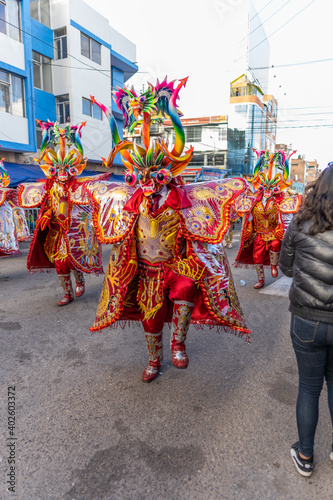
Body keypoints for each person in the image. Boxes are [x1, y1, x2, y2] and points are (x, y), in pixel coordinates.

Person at [85, 78, 250, 382]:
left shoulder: (182, 199)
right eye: (140, 175)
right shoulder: (131, 202)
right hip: (146, 269)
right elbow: (114, 224)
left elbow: (200, 225)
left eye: (154, 174)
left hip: (176, 266)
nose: (147, 181)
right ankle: (153, 359)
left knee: (186, 290)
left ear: (167, 174)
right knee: (150, 318)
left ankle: (178, 344)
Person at [279, 164, 333, 477]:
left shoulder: (299, 223)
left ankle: (306, 455)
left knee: (309, 388)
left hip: (307, 320)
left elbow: (285, 268)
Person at [18, 121, 104, 305]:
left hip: (73, 229)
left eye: (66, 169)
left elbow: (85, 202)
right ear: (53, 170)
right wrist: (48, 213)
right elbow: (48, 202)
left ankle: (79, 281)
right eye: (59, 169)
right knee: (59, 262)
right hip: (56, 230)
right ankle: (67, 293)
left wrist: (72, 220)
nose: (62, 172)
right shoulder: (50, 185)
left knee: (72, 260)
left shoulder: (77, 185)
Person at [234, 149, 301, 288]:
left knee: (276, 244)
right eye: (265, 187)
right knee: (256, 257)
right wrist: (248, 230)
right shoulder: (254, 202)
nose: (267, 190)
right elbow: (249, 217)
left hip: (273, 232)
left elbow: (284, 217)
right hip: (259, 233)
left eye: (271, 187)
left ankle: (273, 265)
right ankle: (261, 280)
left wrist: (283, 230)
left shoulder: (278, 202)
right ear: (261, 188)